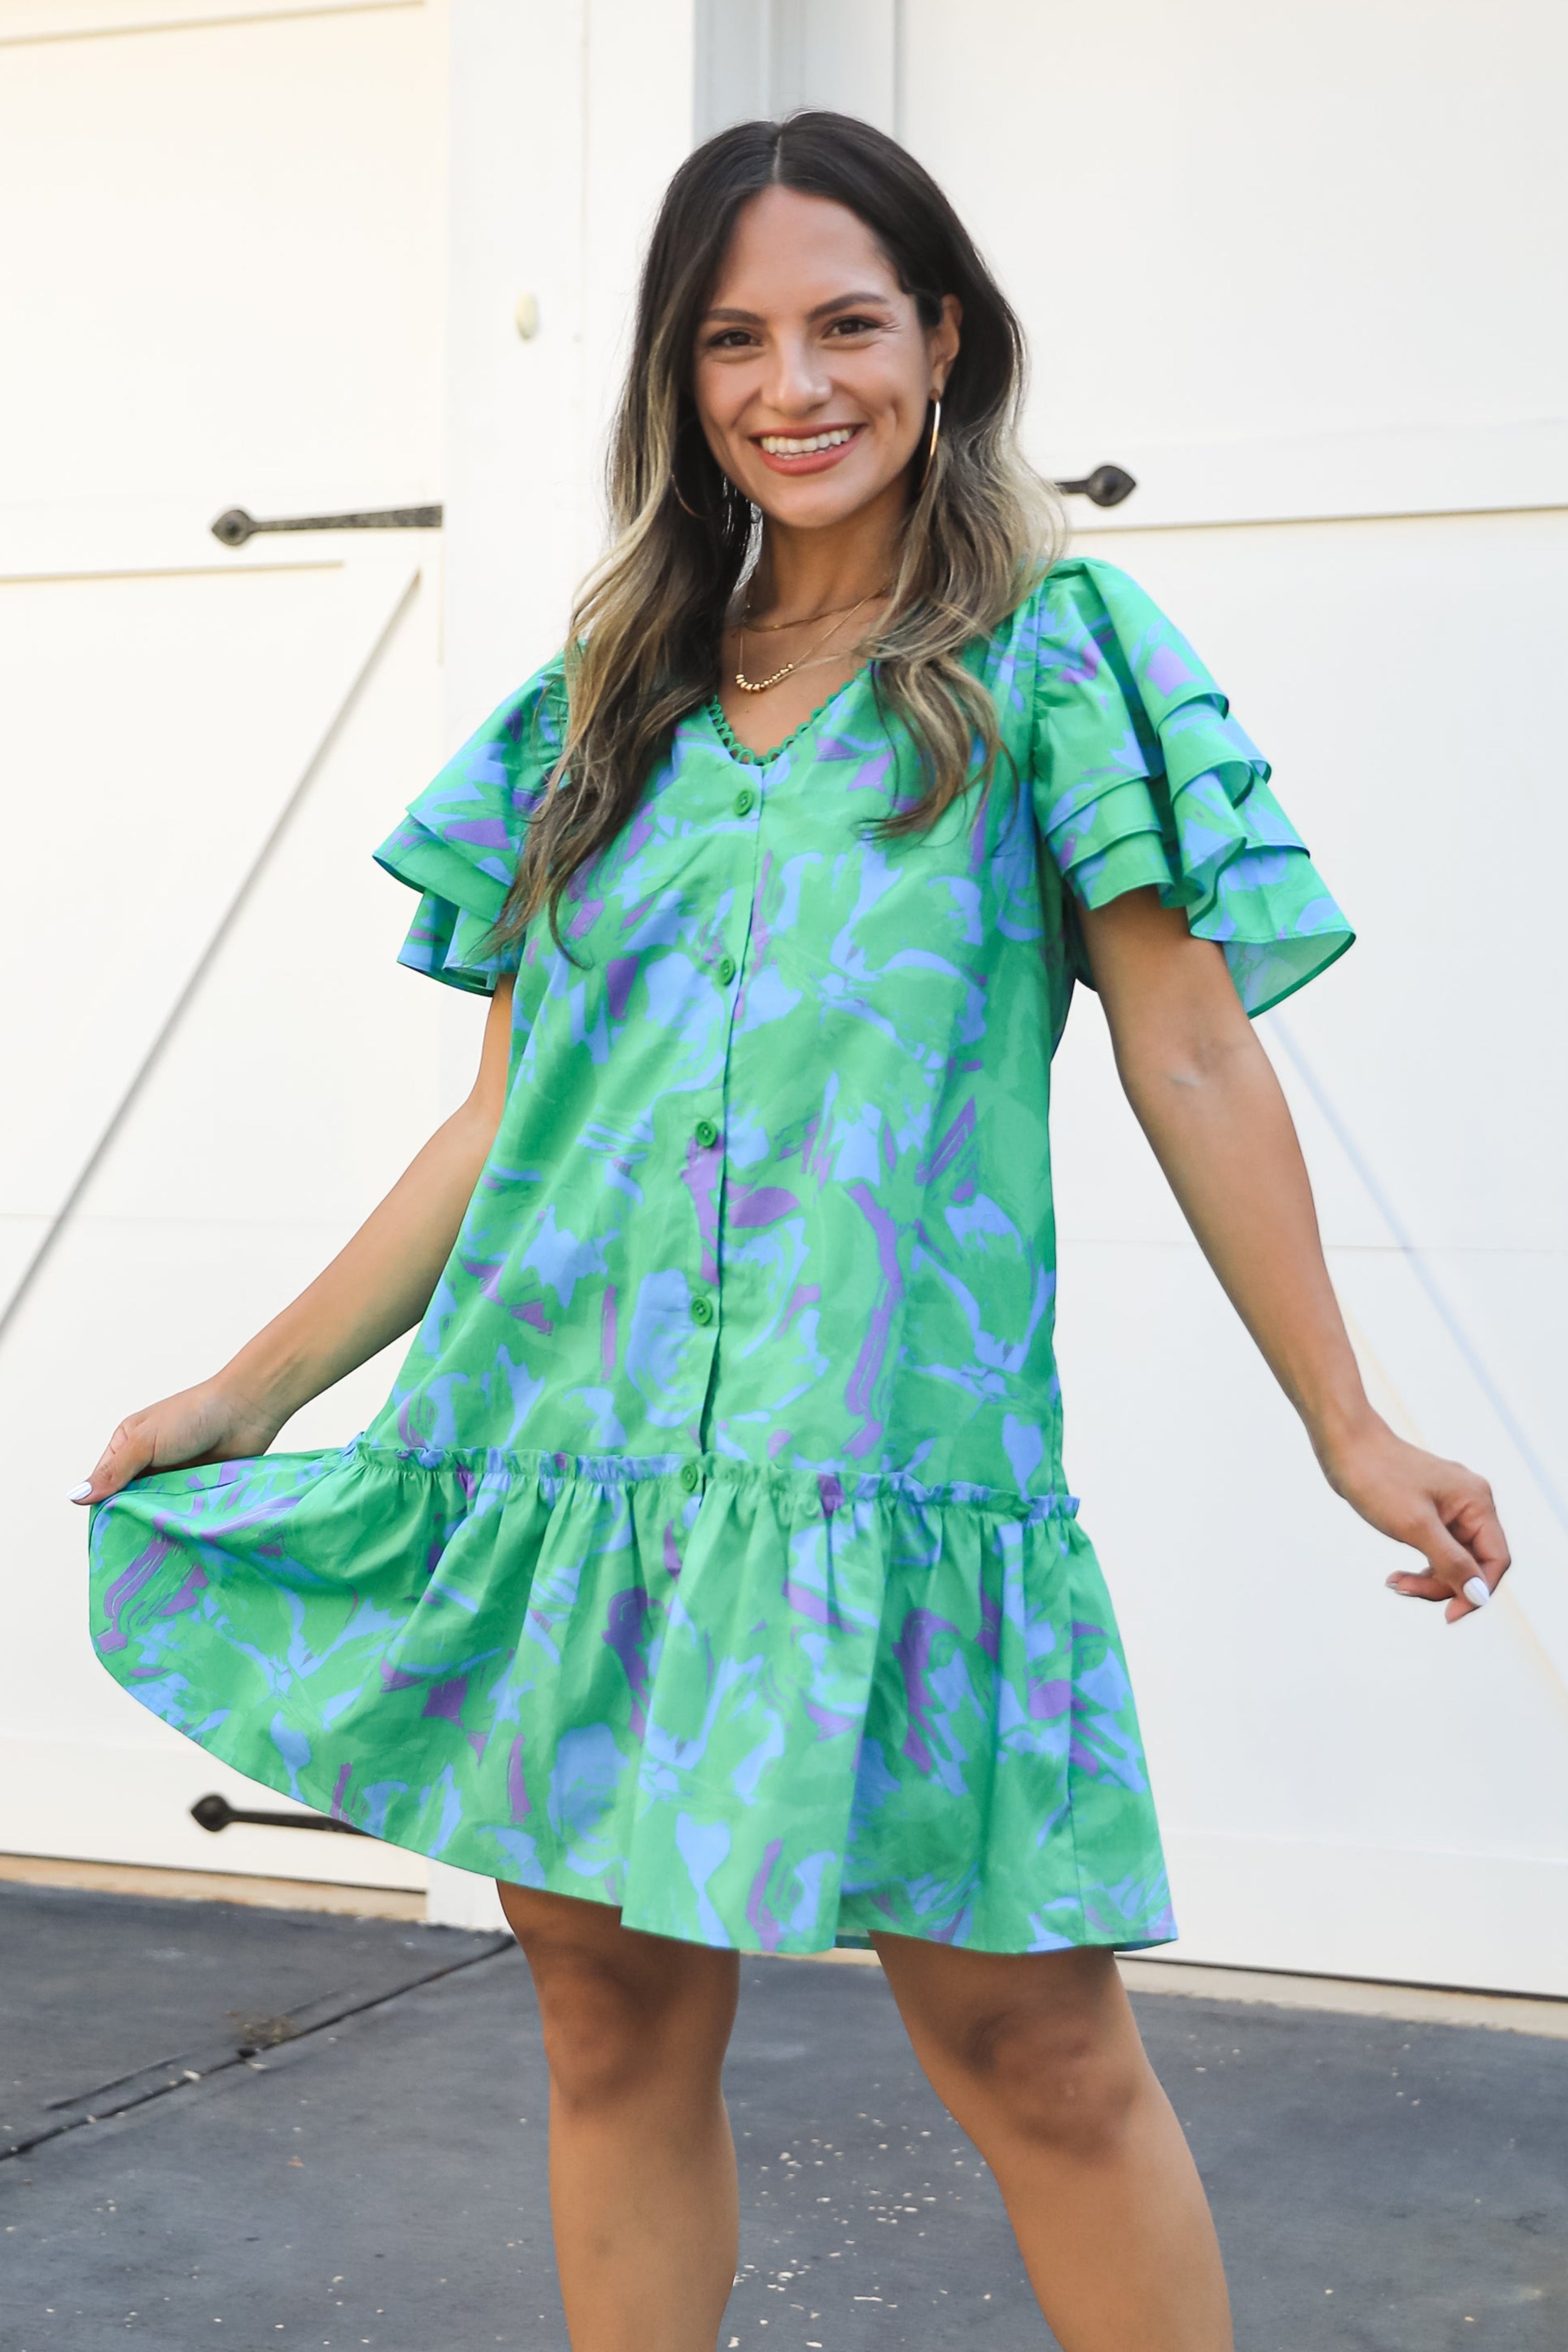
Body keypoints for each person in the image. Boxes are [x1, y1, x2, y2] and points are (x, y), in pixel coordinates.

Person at [78, 111, 1509, 2352]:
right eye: (732, 339)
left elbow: (1194, 1054)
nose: (793, 385)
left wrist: (1348, 1418)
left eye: (846, 325)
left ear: (942, 340)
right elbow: (504, 1122)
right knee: (605, 2021)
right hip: (564, 1459)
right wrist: (246, 1392)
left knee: (1038, 2053)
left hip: (888, 1469)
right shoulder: (605, 699)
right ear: (680, 375)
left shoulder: (1057, 658)